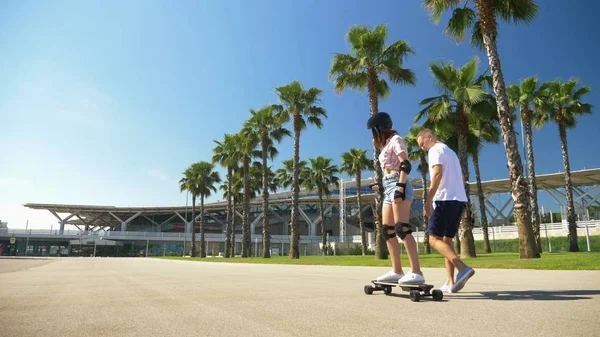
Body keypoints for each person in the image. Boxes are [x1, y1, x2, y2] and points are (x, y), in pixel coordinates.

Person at [367, 112, 425, 285]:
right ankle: (397, 270)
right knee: (387, 230)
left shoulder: (396, 140)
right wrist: (381, 185)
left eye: (374, 131)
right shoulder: (385, 146)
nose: (373, 136)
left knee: (402, 228)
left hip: (399, 184)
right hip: (388, 186)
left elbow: (405, 164)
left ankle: (416, 271)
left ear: (380, 128)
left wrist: (400, 187)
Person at [416, 128, 475, 293]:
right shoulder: (451, 152)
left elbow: (436, 174)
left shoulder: (434, 150)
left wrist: (428, 201)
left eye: (422, 144)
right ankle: (450, 281)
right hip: (459, 200)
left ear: (429, 137)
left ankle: (462, 268)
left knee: (433, 240)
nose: (422, 148)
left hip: (444, 200)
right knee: (446, 241)